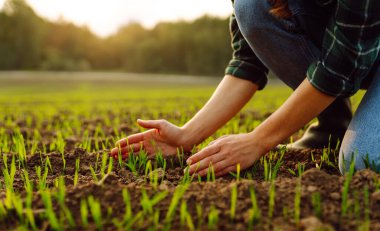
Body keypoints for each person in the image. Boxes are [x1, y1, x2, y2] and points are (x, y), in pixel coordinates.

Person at [111, 0, 380, 176]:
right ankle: (333, 127)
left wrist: (257, 140)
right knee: (250, 6)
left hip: (358, 51)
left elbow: (341, 68)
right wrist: (185, 136)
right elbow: (249, 60)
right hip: (355, 51)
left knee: (363, 165)